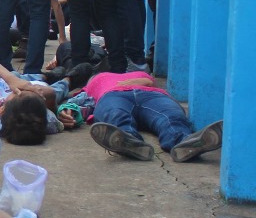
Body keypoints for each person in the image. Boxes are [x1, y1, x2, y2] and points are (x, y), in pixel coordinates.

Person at [85, 70, 223, 163]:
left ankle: (185, 142)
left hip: (151, 94)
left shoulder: (140, 73)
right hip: (113, 95)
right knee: (115, 114)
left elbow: (152, 82)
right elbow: (79, 102)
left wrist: (145, 82)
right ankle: (127, 140)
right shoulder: (91, 83)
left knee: (171, 116)